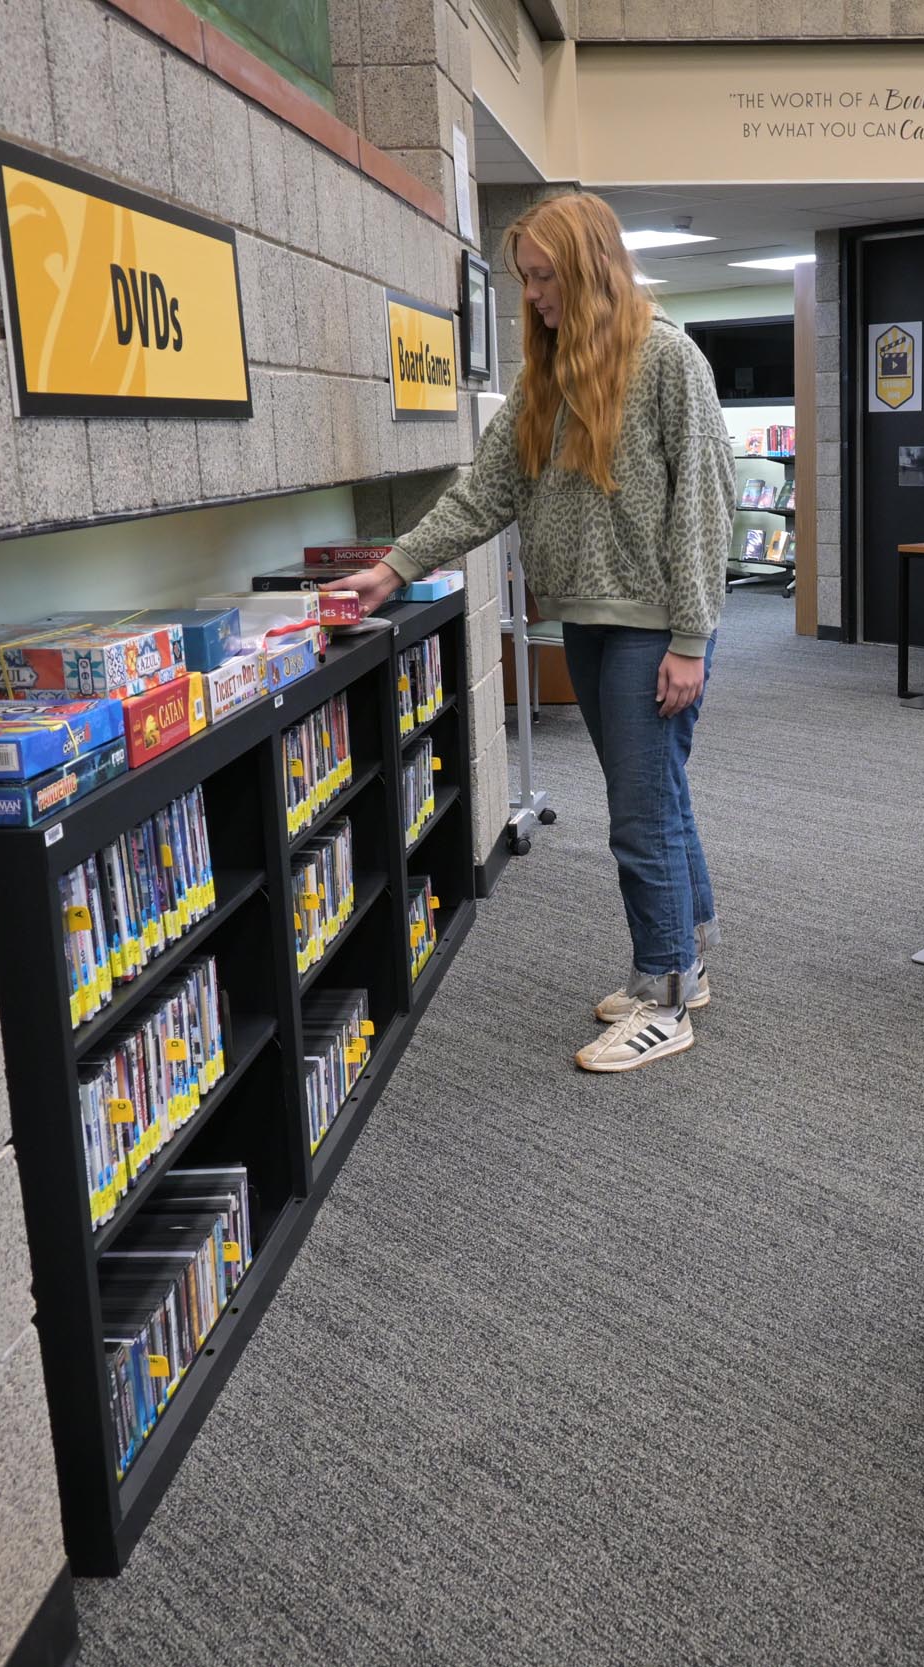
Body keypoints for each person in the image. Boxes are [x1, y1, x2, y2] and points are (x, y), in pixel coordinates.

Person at [333, 191, 735, 1074]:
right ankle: (686, 962)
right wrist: (394, 567)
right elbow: (486, 493)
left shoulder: (670, 360)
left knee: (640, 813)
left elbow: (704, 506)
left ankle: (666, 994)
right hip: (589, 623)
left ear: (588, 267)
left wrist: (691, 640)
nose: (536, 296)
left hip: (652, 626)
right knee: (656, 797)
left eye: (545, 276)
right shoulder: (544, 376)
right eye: (526, 280)